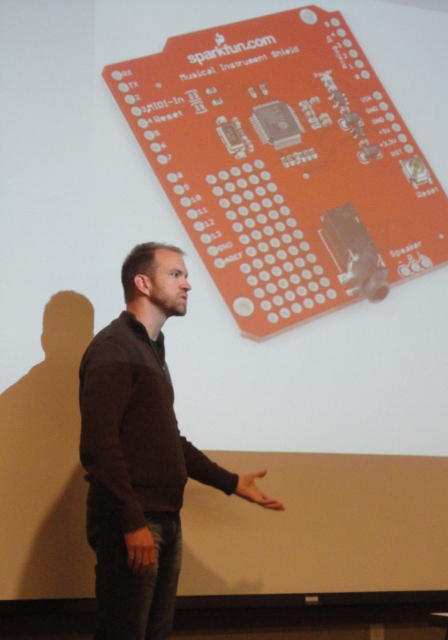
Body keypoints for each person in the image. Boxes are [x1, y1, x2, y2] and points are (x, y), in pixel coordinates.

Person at [79, 242, 284, 640]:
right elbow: (99, 449)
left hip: (164, 517)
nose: (187, 284)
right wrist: (132, 522)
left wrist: (231, 482)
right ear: (143, 283)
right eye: (175, 274)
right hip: (134, 521)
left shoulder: (150, 348)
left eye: (185, 276)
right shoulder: (113, 348)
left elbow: (167, 439)